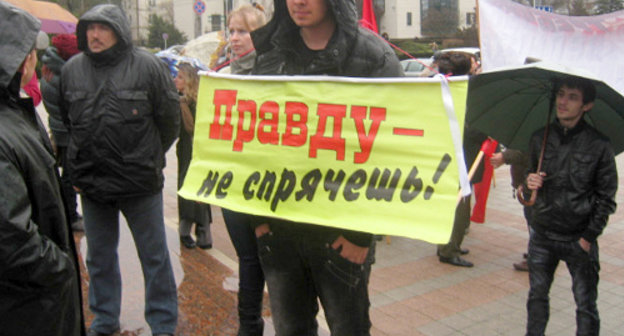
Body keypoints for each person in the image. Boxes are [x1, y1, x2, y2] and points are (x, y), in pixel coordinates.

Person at [250, 0, 402, 334]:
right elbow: (252, 143)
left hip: (341, 235)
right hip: (280, 230)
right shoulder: (270, 55)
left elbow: (392, 152)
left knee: (349, 328)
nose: (298, 2)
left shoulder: (375, 57)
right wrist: (259, 219)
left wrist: (360, 235)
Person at [59, 4, 180, 336]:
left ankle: (163, 323)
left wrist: (148, 158)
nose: (95, 35)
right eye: (90, 29)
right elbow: (69, 123)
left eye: (103, 28)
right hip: (94, 185)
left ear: (119, 31)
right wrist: (78, 167)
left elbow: (169, 121)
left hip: (140, 184)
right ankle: (104, 319)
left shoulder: (148, 66)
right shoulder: (72, 70)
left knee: (154, 258)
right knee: (98, 258)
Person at [0, 2, 84, 335]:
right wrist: (59, 266)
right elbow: (10, 236)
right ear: (22, 60)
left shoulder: (16, 110)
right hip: (28, 304)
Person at [524, 76, 617, 336]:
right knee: (536, 298)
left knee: (585, 306)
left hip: (578, 239)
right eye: (561, 94)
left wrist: (588, 238)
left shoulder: (599, 145)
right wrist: (528, 183)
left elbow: (607, 198)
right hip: (542, 235)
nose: (562, 102)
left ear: (587, 105)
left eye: (572, 97)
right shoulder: (539, 139)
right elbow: (524, 189)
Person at [220, 4, 268, 335]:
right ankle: (248, 326)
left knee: (276, 264)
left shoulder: (276, 73)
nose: (234, 38)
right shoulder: (221, 76)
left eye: (243, 31)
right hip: (234, 185)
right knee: (248, 261)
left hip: (270, 186)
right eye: (231, 31)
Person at [435, 52, 483, 268]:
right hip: (458, 160)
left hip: (458, 159)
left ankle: (449, 244)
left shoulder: (445, 89)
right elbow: (466, 130)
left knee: (457, 206)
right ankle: (448, 249)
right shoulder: (458, 94)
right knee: (459, 209)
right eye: (472, 65)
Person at [40, 33, 83, 232]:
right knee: (69, 176)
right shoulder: (63, 74)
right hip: (66, 131)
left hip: (59, 128)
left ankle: (69, 213)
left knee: (66, 173)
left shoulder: (50, 68)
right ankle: (71, 216)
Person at [174, 63, 213, 250]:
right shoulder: (176, 101)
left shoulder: (202, 100)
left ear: (189, 80)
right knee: (187, 186)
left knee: (203, 186)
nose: (176, 80)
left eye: (180, 77)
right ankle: (186, 227)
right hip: (186, 150)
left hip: (201, 149)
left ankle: (204, 228)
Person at [490, 148, 531, 271]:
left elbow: (526, 150)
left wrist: (505, 156)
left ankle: (537, 257)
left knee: (535, 220)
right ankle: (537, 250)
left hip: (535, 183)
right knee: (532, 219)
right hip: (528, 181)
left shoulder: (541, 135)